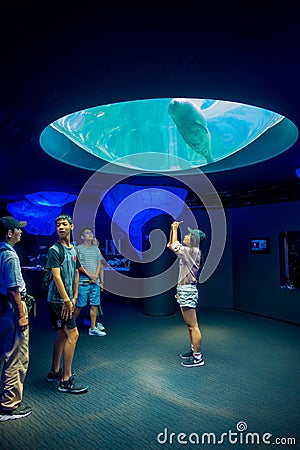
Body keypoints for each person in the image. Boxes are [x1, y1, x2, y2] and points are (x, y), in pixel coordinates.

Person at [46, 214, 88, 394]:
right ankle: (66, 379)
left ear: (71, 226)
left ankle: (55, 371)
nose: (61, 227)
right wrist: (66, 300)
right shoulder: (54, 250)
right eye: (58, 225)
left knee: (62, 335)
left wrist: (75, 295)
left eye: (64, 224)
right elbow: (56, 276)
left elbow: (77, 273)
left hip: (68, 299)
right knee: (73, 334)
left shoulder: (74, 250)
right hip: (58, 301)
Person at [0, 216, 32, 421]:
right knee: (15, 355)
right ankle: (8, 405)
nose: (21, 232)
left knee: (5, 350)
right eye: (17, 230)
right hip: (11, 308)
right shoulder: (10, 256)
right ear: (9, 233)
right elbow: (13, 289)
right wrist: (21, 315)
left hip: (2, 308)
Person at [167, 221, 206, 368]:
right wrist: (172, 229)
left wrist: (175, 228)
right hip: (185, 289)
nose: (187, 235)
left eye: (189, 235)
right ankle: (193, 349)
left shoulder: (192, 251)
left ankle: (198, 357)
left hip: (188, 290)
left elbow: (174, 244)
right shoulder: (191, 251)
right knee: (190, 326)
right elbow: (172, 245)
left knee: (193, 325)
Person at [74, 229, 106, 337]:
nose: (90, 234)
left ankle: (92, 328)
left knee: (94, 305)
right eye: (87, 233)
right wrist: (90, 275)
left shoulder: (96, 249)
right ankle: (70, 326)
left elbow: (99, 263)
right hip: (83, 283)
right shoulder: (78, 249)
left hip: (95, 283)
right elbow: (78, 265)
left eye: (91, 232)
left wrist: (96, 276)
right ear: (82, 237)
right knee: (79, 306)